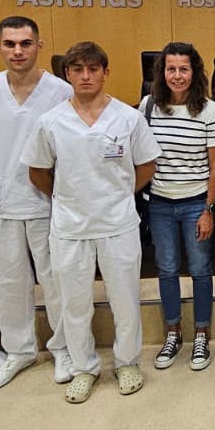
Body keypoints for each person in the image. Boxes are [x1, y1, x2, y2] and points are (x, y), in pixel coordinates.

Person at [23, 42, 161, 403]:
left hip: (117, 224)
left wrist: (117, 195)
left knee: (125, 299)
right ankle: (84, 367)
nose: (86, 76)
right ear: (67, 74)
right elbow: (37, 171)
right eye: (78, 69)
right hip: (70, 227)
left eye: (93, 69)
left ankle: (127, 362)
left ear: (105, 72)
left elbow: (147, 164)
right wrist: (67, 197)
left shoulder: (128, 118)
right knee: (74, 302)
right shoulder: (50, 121)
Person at [0, 16, 73, 390]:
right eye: (10, 43)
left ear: (39, 46)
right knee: (8, 282)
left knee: (56, 280)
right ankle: (19, 350)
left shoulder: (61, 92)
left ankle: (64, 348)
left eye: (25, 43)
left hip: (47, 202)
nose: (17, 51)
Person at [142, 42, 215, 372]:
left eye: (184, 69)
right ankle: (173, 331)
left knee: (201, 270)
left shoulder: (208, 110)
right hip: (160, 202)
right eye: (171, 69)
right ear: (162, 72)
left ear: (195, 73)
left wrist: (209, 209)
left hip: (195, 203)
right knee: (166, 269)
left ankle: (202, 333)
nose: (177, 75)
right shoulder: (148, 106)